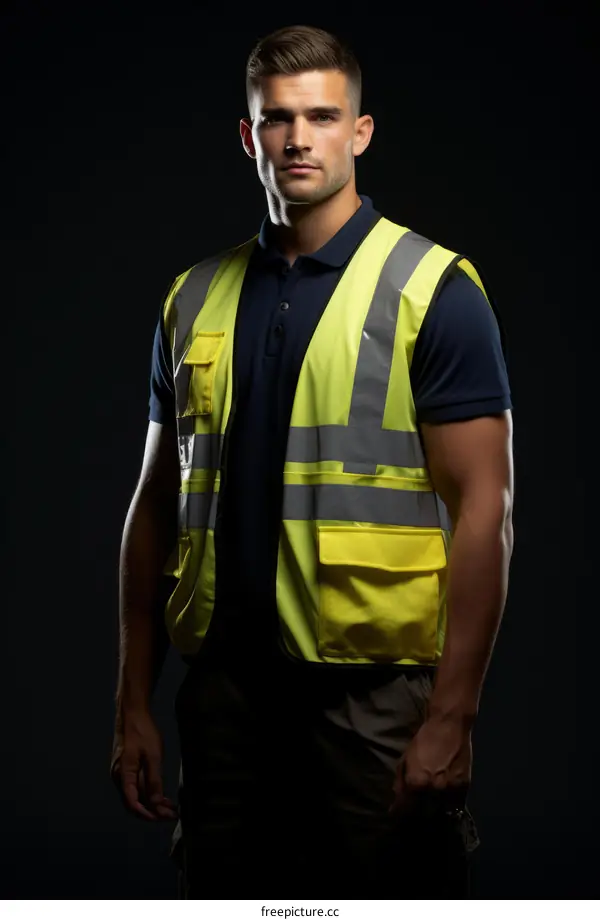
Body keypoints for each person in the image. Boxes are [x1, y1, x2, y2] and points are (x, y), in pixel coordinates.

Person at [111, 23, 514, 899]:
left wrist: (453, 715)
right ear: (248, 134)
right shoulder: (192, 298)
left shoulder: (433, 292)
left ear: (359, 132)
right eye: (278, 118)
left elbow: (487, 511)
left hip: (373, 702)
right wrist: (132, 703)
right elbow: (153, 508)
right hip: (223, 703)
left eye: (323, 117)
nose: (299, 138)